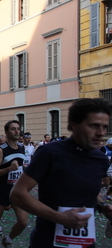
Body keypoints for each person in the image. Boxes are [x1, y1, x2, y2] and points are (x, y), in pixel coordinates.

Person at [10, 98, 112, 247]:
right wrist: (60, 218)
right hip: (47, 241)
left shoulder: (100, 159)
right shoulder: (50, 152)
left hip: (85, 243)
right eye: (94, 126)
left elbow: (87, 191)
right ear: (74, 125)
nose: (101, 133)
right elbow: (17, 194)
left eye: (105, 127)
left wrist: (103, 206)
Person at [0, 120, 27, 248]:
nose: (17, 131)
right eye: (13, 129)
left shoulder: (22, 147)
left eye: (18, 128)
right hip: (3, 189)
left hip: (17, 190)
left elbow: (21, 168)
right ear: (7, 132)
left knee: (23, 221)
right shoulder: (1, 150)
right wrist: (9, 169)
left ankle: (8, 239)